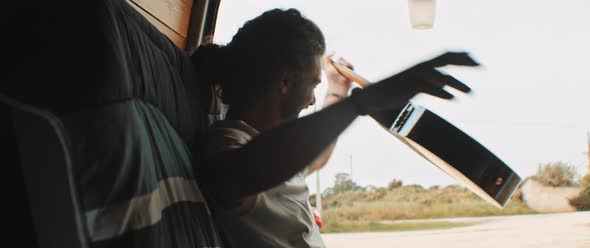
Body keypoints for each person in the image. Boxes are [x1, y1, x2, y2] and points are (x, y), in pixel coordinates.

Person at [191, 8, 479, 248]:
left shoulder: (272, 149)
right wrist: (362, 103)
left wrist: (337, 92)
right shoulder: (228, 142)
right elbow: (244, 172)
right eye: (312, 84)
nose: (311, 100)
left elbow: (312, 156)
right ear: (285, 81)